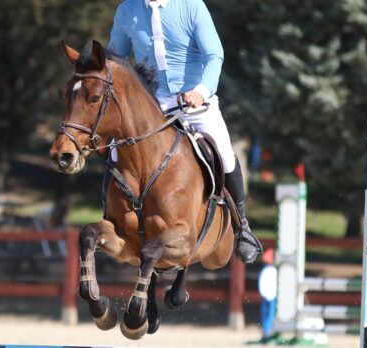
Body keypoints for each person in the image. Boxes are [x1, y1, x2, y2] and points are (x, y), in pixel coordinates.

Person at [107, 0, 262, 263]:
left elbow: (215, 55)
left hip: (193, 102)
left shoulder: (192, 6)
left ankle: (242, 226)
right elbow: (114, 58)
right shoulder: (127, 10)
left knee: (224, 154)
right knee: (114, 153)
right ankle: (110, 215)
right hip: (151, 105)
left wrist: (201, 91)